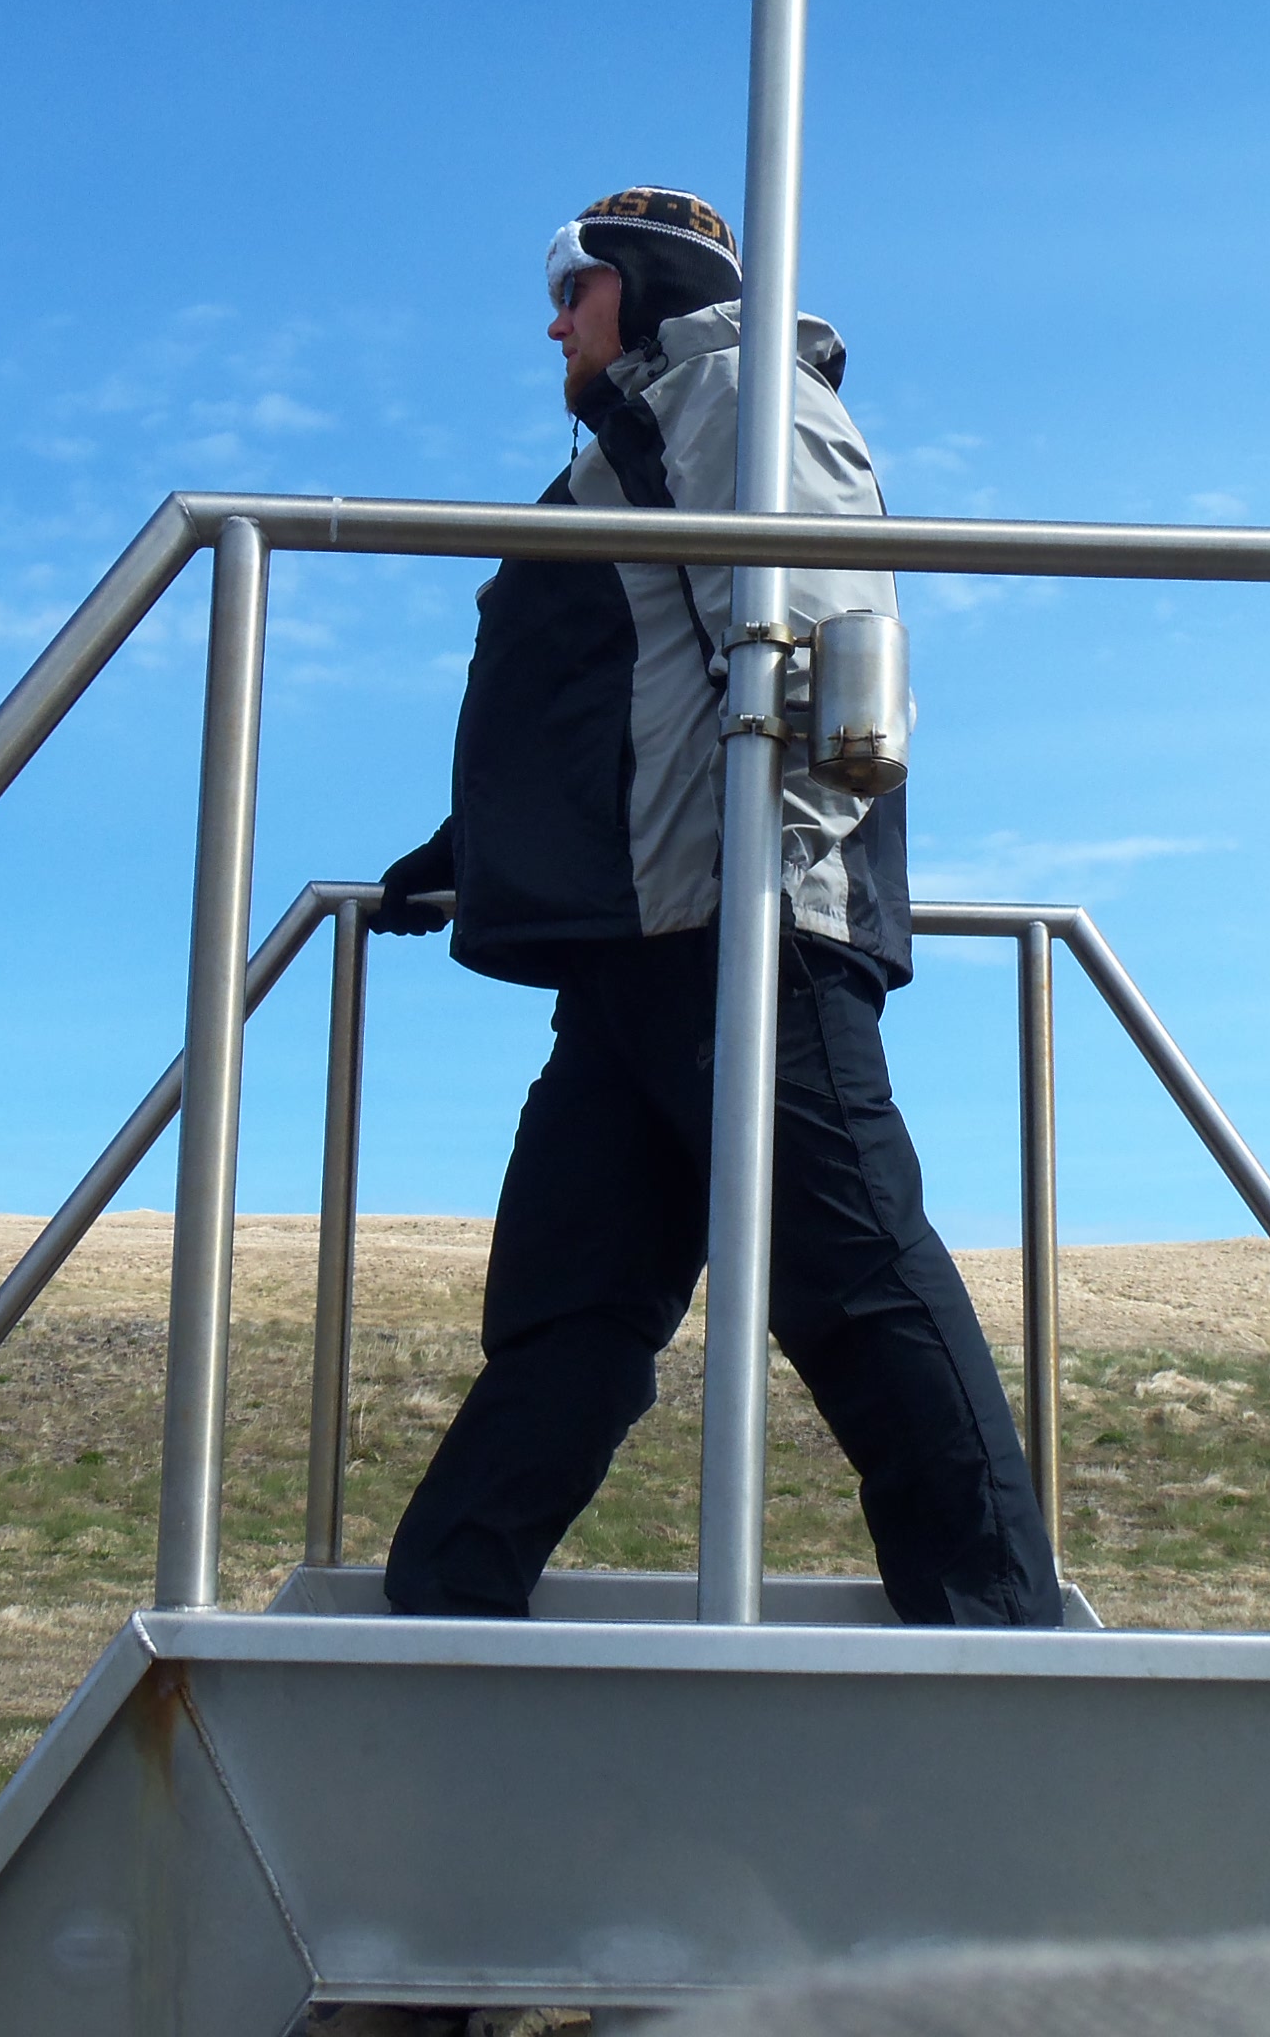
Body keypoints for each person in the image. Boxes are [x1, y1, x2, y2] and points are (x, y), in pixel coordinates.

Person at [372, 187, 1062, 1627]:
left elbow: (823, 648)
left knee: (854, 1282)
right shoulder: (643, 437)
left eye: (571, 290)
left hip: (744, 930)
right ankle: (442, 1614)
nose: (553, 325)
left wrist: (782, 892)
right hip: (634, 947)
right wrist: (472, 848)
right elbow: (626, 695)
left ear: (644, 280)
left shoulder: (742, 399)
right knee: (568, 1305)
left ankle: (999, 1636)